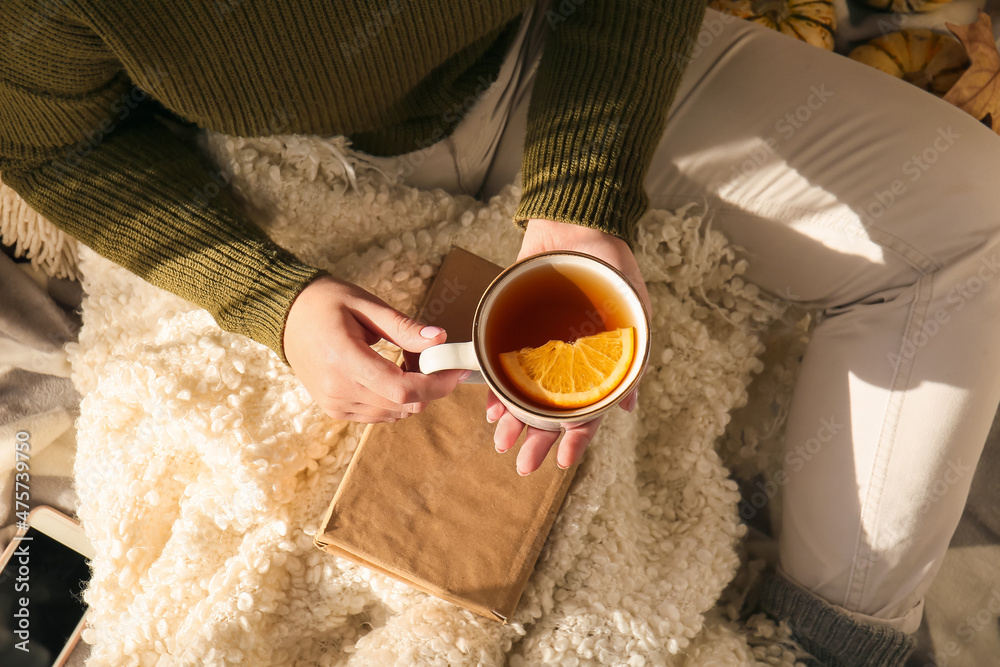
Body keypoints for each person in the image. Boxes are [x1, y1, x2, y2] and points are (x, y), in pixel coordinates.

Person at [4, 1, 1000, 665]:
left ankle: (826, 645)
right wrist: (272, 300)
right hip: (267, 166)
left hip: (549, 52)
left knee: (967, 209)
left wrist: (583, 194)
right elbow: (50, 141)